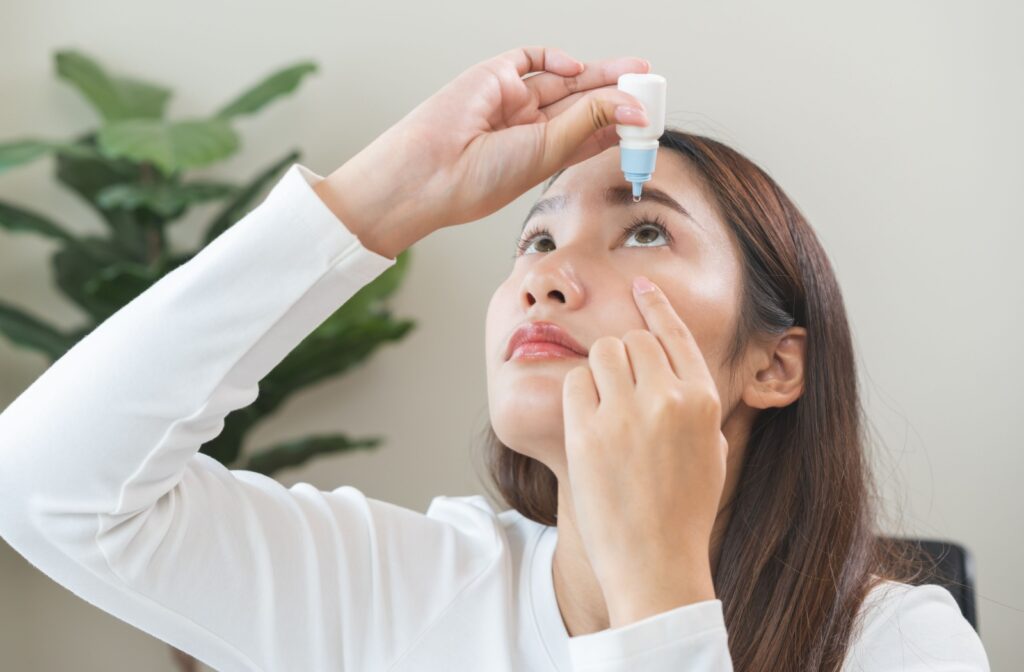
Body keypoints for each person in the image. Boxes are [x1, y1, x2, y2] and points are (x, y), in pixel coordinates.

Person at [0, 46, 990, 672]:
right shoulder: (404, 585)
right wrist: (375, 204)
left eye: (644, 231)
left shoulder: (899, 644)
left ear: (773, 365)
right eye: (534, 239)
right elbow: (47, 486)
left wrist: (657, 596)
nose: (547, 277)